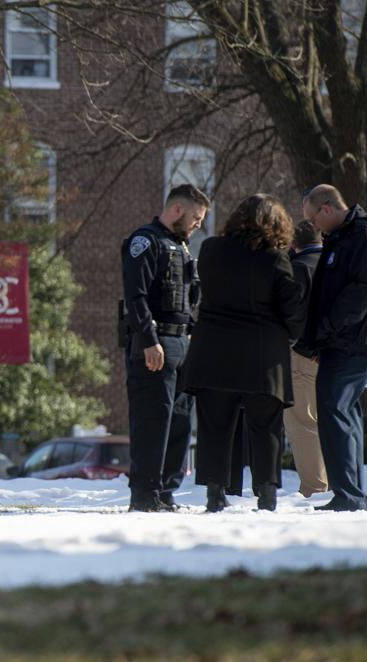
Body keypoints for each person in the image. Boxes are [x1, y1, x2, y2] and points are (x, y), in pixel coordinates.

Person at [184, 194, 302, 512]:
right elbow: (291, 308)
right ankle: (266, 493)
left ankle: (214, 493)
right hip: (262, 357)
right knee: (265, 428)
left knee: (214, 427)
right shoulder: (275, 259)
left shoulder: (210, 250)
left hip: (214, 353)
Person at [300, 185, 367, 512]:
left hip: (352, 341)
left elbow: (365, 290)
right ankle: (350, 492)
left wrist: (328, 327)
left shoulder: (361, 237)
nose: (314, 227)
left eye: (313, 219)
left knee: (334, 409)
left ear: (326, 209)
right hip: (347, 340)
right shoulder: (344, 238)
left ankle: (348, 493)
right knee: (345, 411)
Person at [120, 183, 209, 512]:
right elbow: (136, 296)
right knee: (152, 421)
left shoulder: (181, 247)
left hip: (183, 342)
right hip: (156, 343)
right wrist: (149, 340)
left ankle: (166, 492)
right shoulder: (146, 241)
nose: (198, 224)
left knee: (181, 422)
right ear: (177, 210)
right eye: (196, 218)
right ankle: (145, 495)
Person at [285, 220, 328, 497]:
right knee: (330, 421)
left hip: (303, 354)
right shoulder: (334, 263)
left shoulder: (300, 268)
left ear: (293, 244)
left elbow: (295, 316)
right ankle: (336, 481)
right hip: (335, 354)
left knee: (303, 421)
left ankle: (314, 487)